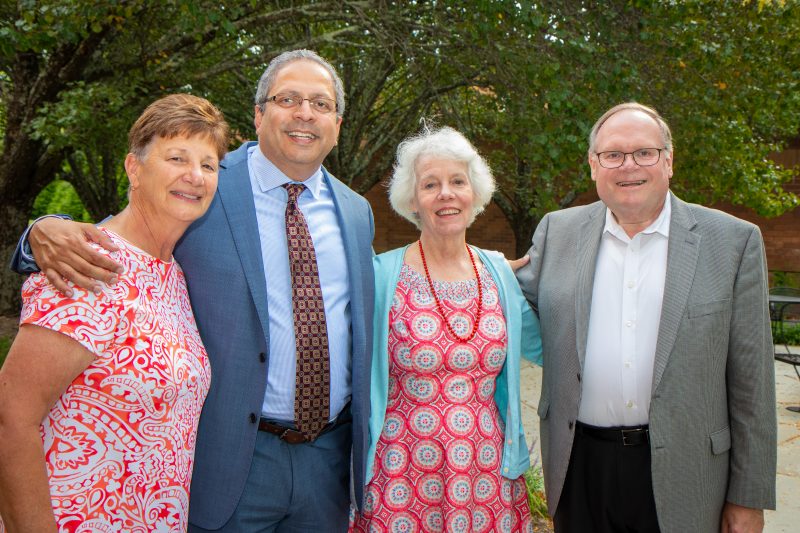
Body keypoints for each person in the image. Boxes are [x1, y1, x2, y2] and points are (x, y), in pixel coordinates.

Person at [10, 50, 376, 532]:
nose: (305, 113)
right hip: (231, 459)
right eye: (288, 99)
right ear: (260, 113)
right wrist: (40, 231)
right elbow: (113, 242)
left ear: (338, 122)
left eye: (320, 103)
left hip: (327, 460)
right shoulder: (206, 184)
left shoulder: (356, 211)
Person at [515, 102, 777, 533]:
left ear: (669, 161)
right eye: (613, 155)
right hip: (578, 466)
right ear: (593, 166)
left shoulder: (733, 242)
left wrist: (748, 497)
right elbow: (508, 310)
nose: (628, 166)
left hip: (686, 473)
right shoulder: (555, 231)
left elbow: (753, 384)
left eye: (644, 153)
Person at [0, 94, 229, 531]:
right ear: (134, 168)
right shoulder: (88, 263)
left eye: (208, 164)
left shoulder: (173, 275)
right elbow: (11, 417)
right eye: (176, 157)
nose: (194, 176)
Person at [350, 125, 543, 532]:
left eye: (457, 181)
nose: (446, 194)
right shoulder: (380, 274)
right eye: (430, 184)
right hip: (401, 468)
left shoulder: (498, 273)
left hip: (488, 469)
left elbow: (545, 347)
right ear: (412, 200)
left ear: (474, 193)